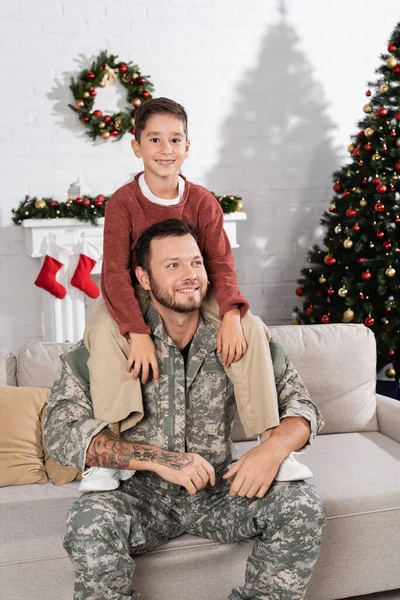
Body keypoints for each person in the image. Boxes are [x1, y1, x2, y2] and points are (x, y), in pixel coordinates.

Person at [44, 219, 325, 600]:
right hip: (137, 493)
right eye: (172, 265)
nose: (190, 275)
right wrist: (159, 459)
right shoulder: (112, 340)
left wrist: (271, 450)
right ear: (143, 277)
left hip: (217, 488)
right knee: (88, 522)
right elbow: (60, 431)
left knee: (301, 504)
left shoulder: (238, 333)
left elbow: (303, 407)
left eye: (196, 263)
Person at [82, 97, 310, 492]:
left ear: (187, 147)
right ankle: (110, 451)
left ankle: (273, 442)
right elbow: (115, 273)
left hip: (195, 290)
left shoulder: (203, 201)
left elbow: (220, 264)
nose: (165, 150)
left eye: (174, 140)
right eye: (154, 140)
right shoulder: (123, 202)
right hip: (139, 291)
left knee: (252, 330)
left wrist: (233, 316)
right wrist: (136, 331)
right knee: (103, 330)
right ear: (137, 147)